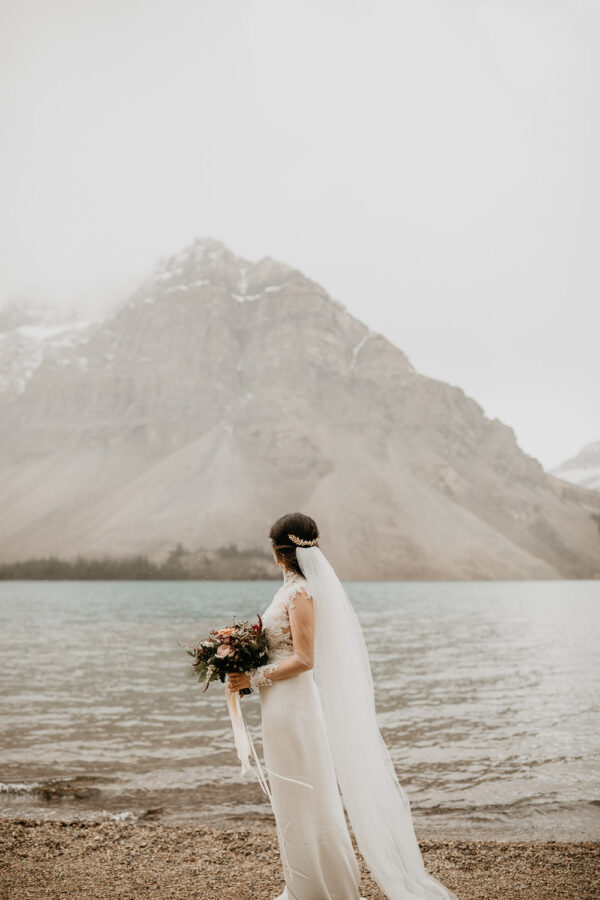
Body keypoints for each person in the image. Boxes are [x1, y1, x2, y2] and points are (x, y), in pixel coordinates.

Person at [227, 512, 457, 900]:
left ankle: (319, 889)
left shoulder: (300, 592)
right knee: (294, 796)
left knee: (305, 795)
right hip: (279, 705)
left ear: (278, 550)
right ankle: (304, 883)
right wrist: (241, 658)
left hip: (292, 707)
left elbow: (305, 658)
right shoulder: (288, 590)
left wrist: (253, 677)